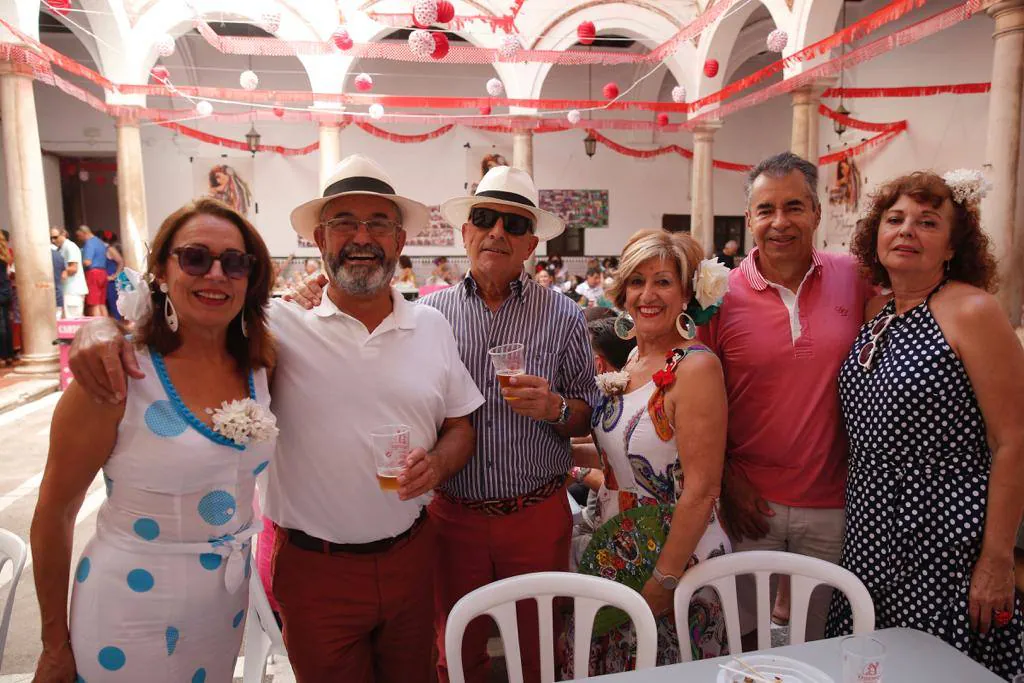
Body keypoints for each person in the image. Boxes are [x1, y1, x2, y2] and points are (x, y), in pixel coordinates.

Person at [70, 155, 484, 683]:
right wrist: (100, 329)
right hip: (316, 570)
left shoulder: (432, 326)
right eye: (343, 223)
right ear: (319, 239)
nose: (362, 237)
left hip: (412, 556)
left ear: (399, 242)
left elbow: (461, 426)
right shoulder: (275, 326)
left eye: (378, 223)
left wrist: (441, 465)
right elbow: (191, 322)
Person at [288, 165, 598, 683]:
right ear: (466, 232)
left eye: (515, 225)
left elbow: (588, 411)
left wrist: (556, 410)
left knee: (539, 649)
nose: (497, 231)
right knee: (454, 651)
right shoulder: (425, 316)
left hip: (537, 514)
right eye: (484, 218)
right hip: (451, 516)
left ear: (530, 246)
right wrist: (308, 296)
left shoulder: (563, 316)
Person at [32, 198, 278, 683]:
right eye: (194, 258)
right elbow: (54, 514)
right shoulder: (116, 375)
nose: (215, 274)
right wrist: (53, 644)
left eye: (234, 262)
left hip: (221, 610)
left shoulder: (261, 368)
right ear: (162, 272)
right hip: (127, 611)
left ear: (250, 279)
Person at [824, 171, 1024, 679]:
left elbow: (1013, 441)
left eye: (927, 222)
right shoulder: (877, 310)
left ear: (953, 246)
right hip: (870, 527)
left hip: (947, 534)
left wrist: (997, 558)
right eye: (895, 219)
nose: (907, 231)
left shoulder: (973, 311)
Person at [699, 152, 874, 641]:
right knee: (741, 634)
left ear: (817, 212)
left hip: (833, 501)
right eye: (766, 210)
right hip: (749, 502)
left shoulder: (856, 277)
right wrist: (728, 479)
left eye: (794, 207)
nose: (780, 223)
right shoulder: (720, 298)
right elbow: (701, 403)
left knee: (813, 633)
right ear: (749, 219)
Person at [564, 230, 730, 675]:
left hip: (672, 557)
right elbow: (630, 460)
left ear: (686, 293)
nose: (647, 295)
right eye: (636, 282)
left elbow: (701, 489)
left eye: (662, 282)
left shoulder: (696, 367)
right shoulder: (634, 360)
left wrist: (664, 579)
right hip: (617, 549)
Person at [51, 226, 88, 318]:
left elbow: (74, 268)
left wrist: (62, 272)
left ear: (63, 234)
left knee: (72, 321)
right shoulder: (61, 248)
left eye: (55, 237)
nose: (53, 241)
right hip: (67, 290)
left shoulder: (69, 246)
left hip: (73, 291)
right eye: (51, 238)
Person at [76, 225, 109, 317]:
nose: (79, 239)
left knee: (94, 303)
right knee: (102, 303)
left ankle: (97, 326)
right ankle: (106, 325)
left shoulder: (89, 243)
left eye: (79, 236)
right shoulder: (100, 242)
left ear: (84, 233)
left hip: (93, 273)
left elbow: (87, 262)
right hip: (103, 272)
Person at [101, 232, 125, 320]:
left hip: (111, 281)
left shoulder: (109, 249)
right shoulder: (103, 249)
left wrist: (115, 275)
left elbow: (121, 261)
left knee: (114, 304)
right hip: (105, 280)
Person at [0, 231, 14, 367]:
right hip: (5, 290)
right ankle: (9, 355)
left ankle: (3, 356)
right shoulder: (5, 254)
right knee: (6, 324)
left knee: (1, 326)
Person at [51, 242, 66, 317]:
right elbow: (63, 275)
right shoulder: (59, 255)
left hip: (42, 296)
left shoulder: (36, 256)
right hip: (58, 293)